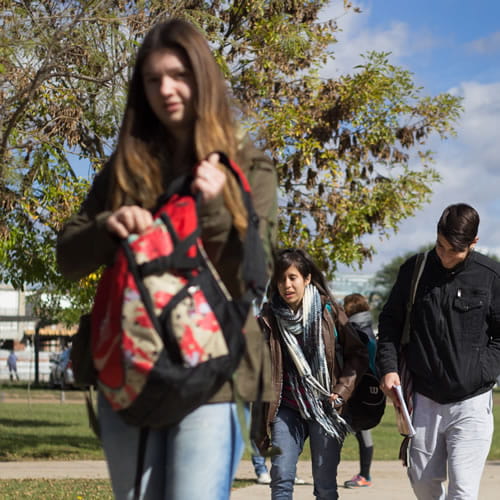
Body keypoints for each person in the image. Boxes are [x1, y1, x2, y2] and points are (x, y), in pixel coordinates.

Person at [56, 18, 277, 500]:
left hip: (210, 375)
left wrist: (218, 207)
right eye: (153, 79)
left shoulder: (246, 166)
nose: (166, 89)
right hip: (129, 368)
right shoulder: (126, 166)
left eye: (178, 75)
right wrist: (107, 227)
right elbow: (67, 256)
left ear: (203, 78)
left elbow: (254, 276)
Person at [377, 203, 500, 499]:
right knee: (423, 485)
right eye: (441, 246)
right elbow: (389, 323)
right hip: (425, 400)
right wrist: (389, 367)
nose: (445, 256)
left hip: (472, 402)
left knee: (463, 491)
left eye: (454, 251)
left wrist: (484, 369)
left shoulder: (491, 275)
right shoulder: (414, 270)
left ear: (473, 243)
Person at [254, 248, 368, 499]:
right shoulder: (268, 317)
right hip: (286, 408)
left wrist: (341, 391)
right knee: (281, 476)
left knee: (325, 484)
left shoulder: (328, 311)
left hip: (325, 407)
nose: (287, 285)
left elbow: (358, 355)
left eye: (292, 277)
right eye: (281, 279)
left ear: (306, 279)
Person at [342, 293, 375, 489]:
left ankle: (364, 475)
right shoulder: (367, 328)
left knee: (360, 432)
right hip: (367, 390)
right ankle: (365, 474)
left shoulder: (355, 331)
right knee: (363, 432)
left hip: (356, 390)